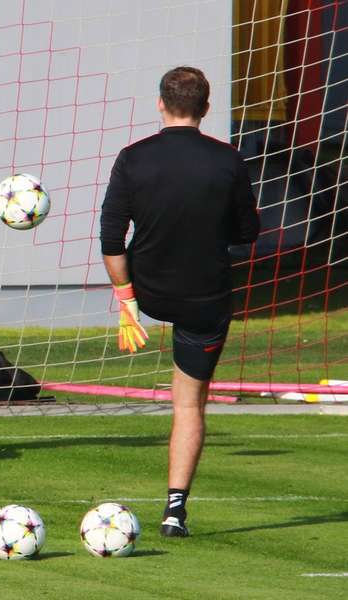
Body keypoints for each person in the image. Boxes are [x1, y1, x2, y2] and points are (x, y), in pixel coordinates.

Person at [99, 66, 260, 536]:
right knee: (188, 406)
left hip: (148, 291)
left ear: (160, 103)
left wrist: (127, 300)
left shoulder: (132, 158)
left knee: (186, 399)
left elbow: (111, 237)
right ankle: (174, 511)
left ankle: (173, 509)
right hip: (203, 298)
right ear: (206, 109)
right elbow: (247, 234)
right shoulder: (228, 161)